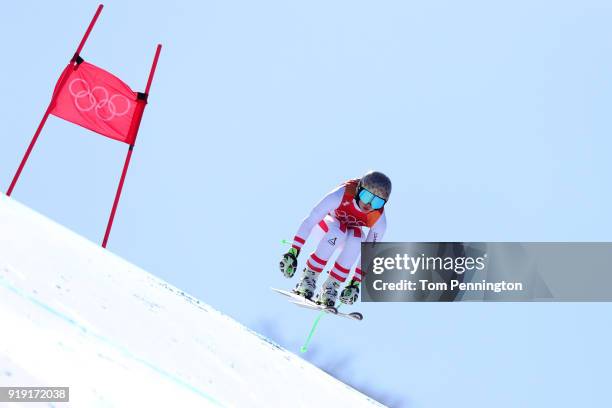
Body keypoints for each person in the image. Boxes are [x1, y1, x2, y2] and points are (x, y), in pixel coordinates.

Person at [279, 171, 390, 307]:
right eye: (366, 196)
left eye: (377, 202)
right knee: (339, 230)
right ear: (358, 189)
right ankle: (308, 278)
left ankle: (331, 287)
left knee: (357, 239)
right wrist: (294, 251)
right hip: (326, 227)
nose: (369, 205)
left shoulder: (378, 219)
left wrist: (355, 283)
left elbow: (369, 253)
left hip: (346, 236)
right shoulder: (343, 194)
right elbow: (311, 219)